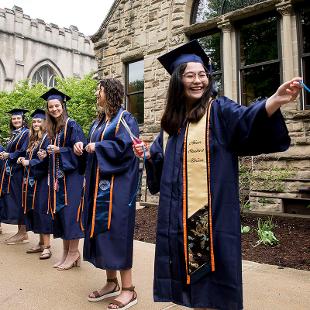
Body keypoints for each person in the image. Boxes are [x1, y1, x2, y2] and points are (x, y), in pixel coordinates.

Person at [132, 40, 302, 310]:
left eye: (202, 75)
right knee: (191, 285)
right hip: (177, 217)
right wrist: (150, 155)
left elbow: (246, 120)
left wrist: (274, 101)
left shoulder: (218, 109)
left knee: (214, 284)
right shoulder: (171, 124)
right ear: (178, 81)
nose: (198, 81)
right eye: (190, 75)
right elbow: (161, 161)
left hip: (212, 215)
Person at [73, 78, 139, 310]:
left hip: (118, 188)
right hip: (98, 186)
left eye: (98, 90)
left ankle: (128, 290)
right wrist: (81, 147)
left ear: (108, 93)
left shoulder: (125, 119)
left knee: (117, 233)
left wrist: (98, 147)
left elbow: (127, 149)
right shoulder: (99, 122)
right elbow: (93, 147)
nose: (95, 93)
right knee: (103, 231)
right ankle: (111, 283)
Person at [40, 88, 86, 270]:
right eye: (51, 107)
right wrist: (47, 153)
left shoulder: (72, 125)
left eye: (57, 105)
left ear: (63, 106)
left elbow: (79, 153)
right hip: (59, 180)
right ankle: (67, 253)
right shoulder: (56, 129)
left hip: (72, 179)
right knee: (61, 214)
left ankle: (74, 252)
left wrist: (61, 151)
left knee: (70, 214)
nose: (54, 109)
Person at [18, 108, 53, 259]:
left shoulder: (47, 138)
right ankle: (40, 243)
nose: (36, 123)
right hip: (32, 180)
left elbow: (45, 161)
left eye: (39, 121)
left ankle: (47, 247)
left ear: (45, 123)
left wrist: (29, 162)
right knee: (35, 211)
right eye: (34, 121)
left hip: (43, 180)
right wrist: (22, 159)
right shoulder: (33, 139)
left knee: (42, 211)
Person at [0, 109, 30, 244]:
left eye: (18, 118)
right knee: (17, 200)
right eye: (14, 119)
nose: (16, 120)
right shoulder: (15, 134)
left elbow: (24, 150)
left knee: (20, 200)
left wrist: (9, 155)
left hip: (20, 172)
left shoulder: (26, 133)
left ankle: (23, 232)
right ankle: (21, 232)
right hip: (13, 171)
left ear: (23, 120)